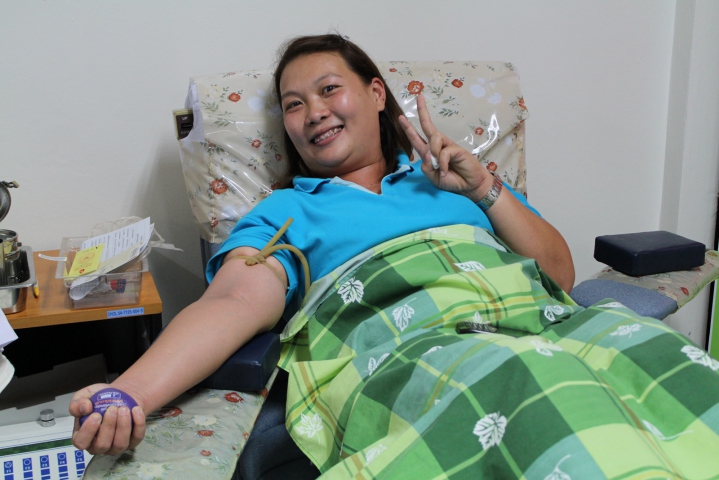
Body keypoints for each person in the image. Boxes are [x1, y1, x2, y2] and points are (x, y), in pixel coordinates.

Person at [70, 34, 574, 457]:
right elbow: (233, 300)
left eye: (329, 89)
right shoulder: (286, 212)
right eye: (294, 104)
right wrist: (130, 392)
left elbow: (560, 278)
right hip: (419, 361)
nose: (313, 112)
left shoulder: (459, 181)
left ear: (376, 94)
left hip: (535, 334)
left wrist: (483, 187)